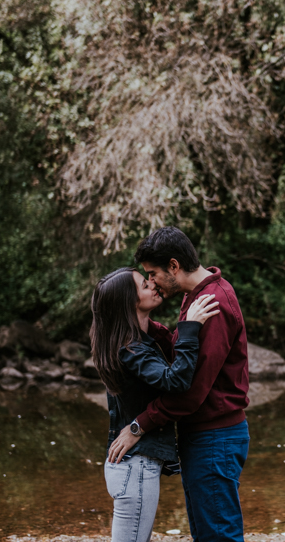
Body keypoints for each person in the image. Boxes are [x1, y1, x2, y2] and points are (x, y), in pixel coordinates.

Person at [107, 227, 250, 542]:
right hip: (204, 437)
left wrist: (138, 426)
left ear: (173, 266)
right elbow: (184, 360)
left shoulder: (212, 304)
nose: (152, 281)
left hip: (215, 437)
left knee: (218, 536)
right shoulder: (197, 296)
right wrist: (156, 330)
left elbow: (191, 391)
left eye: (153, 273)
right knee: (206, 533)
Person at [91, 266, 220, 542]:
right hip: (134, 466)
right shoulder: (131, 349)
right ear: (129, 302)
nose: (152, 284)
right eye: (143, 285)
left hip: (133, 466)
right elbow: (175, 382)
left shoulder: (140, 342)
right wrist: (190, 328)